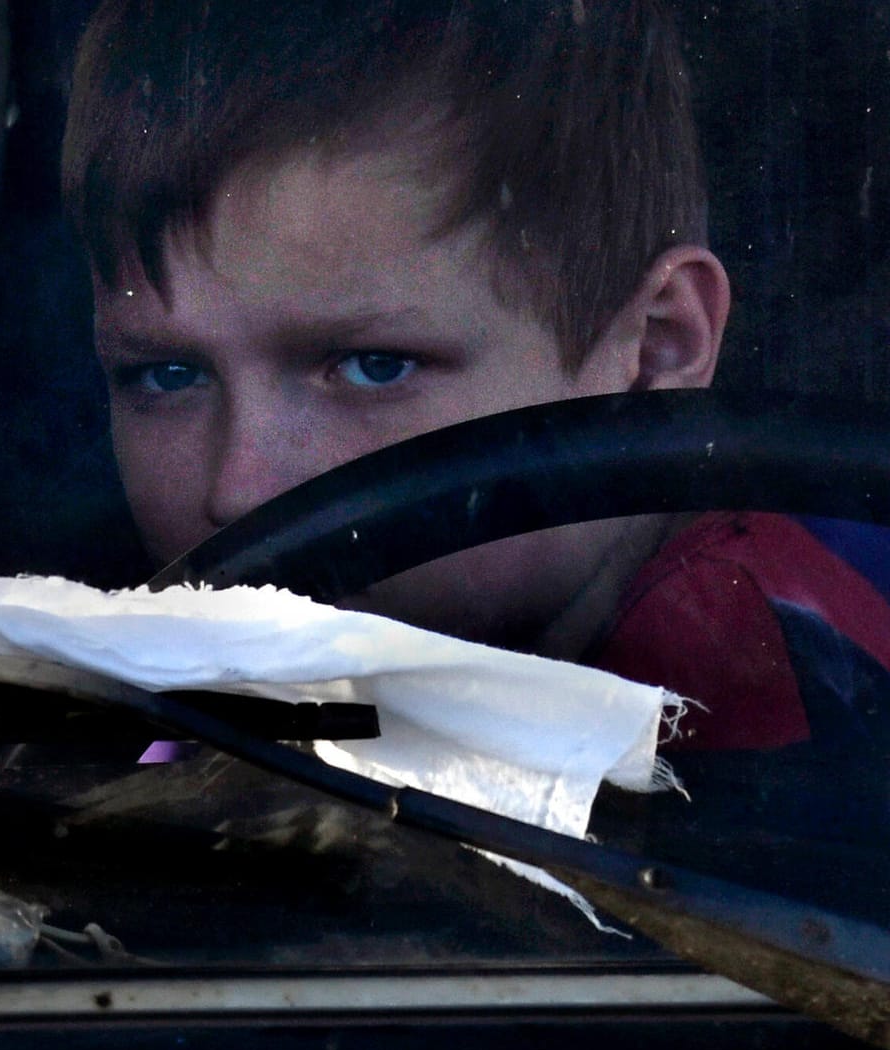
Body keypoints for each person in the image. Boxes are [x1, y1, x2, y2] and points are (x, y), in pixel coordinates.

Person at [60, 0, 890, 759]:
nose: (239, 490)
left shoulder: (783, 715)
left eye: (373, 367)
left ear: (656, 352)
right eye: (167, 377)